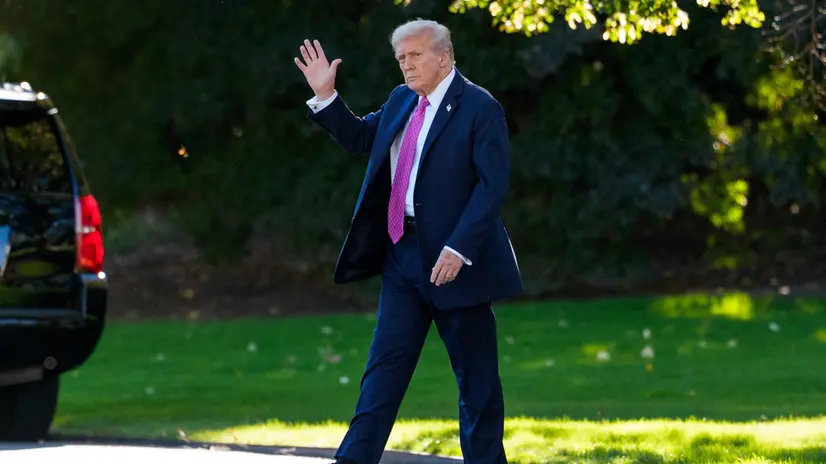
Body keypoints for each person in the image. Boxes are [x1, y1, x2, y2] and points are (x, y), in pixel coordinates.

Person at [294, 18, 523, 464]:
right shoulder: (403, 100)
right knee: (382, 375)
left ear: (443, 57)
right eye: (401, 58)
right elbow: (361, 137)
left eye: (415, 56)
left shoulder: (479, 106)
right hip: (402, 256)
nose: (406, 66)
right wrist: (325, 96)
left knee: (477, 386)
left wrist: (459, 248)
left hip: (455, 261)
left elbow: (491, 186)